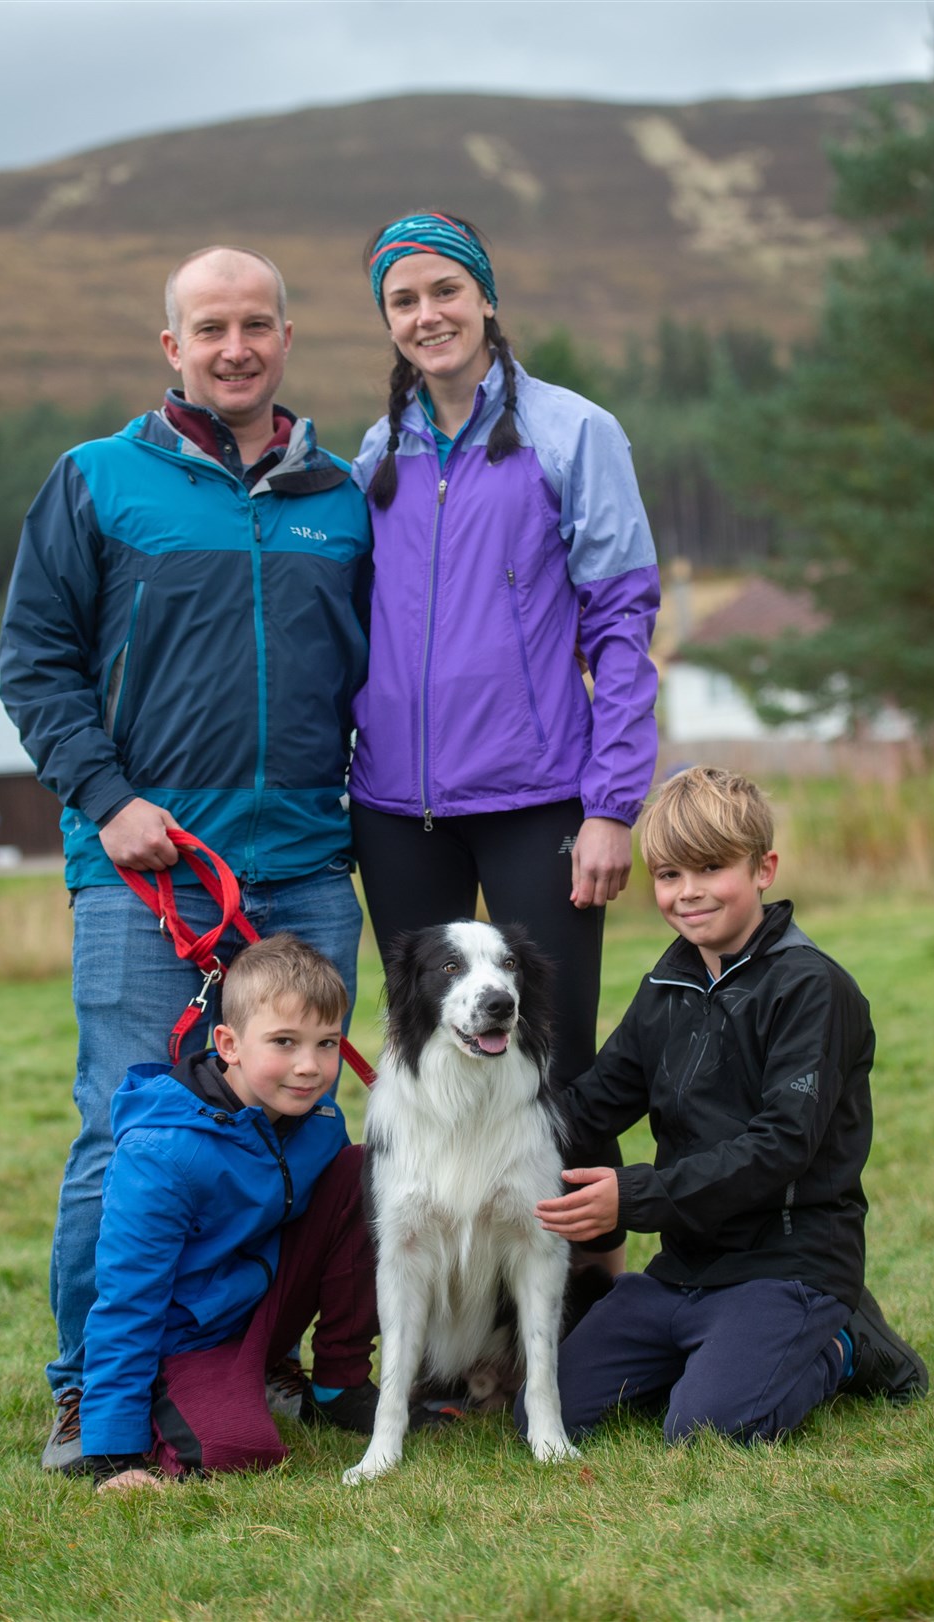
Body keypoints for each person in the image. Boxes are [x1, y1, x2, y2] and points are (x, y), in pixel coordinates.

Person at [0, 246, 372, 1474]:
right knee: (125, 1131)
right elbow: (37, 664)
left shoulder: (340, 495)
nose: (235, 345)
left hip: (309, 867)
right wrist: (105, 800)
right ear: (173, 345)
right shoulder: (96, 482)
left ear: (285, 335)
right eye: (209, 326)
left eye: (256, 323)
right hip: (147, 874)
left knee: (296, 1124)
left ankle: (247, 1363)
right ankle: (82, 1390)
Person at [348, 212, 660, 1100]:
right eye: (402, 300)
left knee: (552, 1067)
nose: (427, 315)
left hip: (540, 800)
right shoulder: (378, 452)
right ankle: (444, 1243)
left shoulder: (575, 433)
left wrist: (611, 807)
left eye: (445, 290)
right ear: (388, 321)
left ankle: (585, 1245)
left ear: (486, 297)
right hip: (396, 813)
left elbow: (623, 628)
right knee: (430, 1064)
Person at [524, 765, 929, 1446]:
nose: (688, 894)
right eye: (669, 875)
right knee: (548, 1413)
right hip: (683, 1269)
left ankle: (843, 1344)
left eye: (710, 869)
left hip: (789, 1265)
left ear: (764, 868)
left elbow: (781, 1146)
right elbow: (591, 1107)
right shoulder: (668, 984)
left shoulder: (811, 989)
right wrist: (466, 1126)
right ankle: (717, 1351)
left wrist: (633, 1197)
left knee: (708, 1429)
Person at [81, 935, 381, 1491]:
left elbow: (334, 1236)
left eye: (327, 1043)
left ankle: (338, 1386)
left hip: (261, 1310)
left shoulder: (319, 1123)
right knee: (239, 1449)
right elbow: (128, 1296)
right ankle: (147, 1416)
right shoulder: (161, 1153)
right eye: (284, 1042)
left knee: (371, 1171)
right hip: (189, 1340)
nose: (309, 1067)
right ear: (228, 1043)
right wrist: (114, 1456)